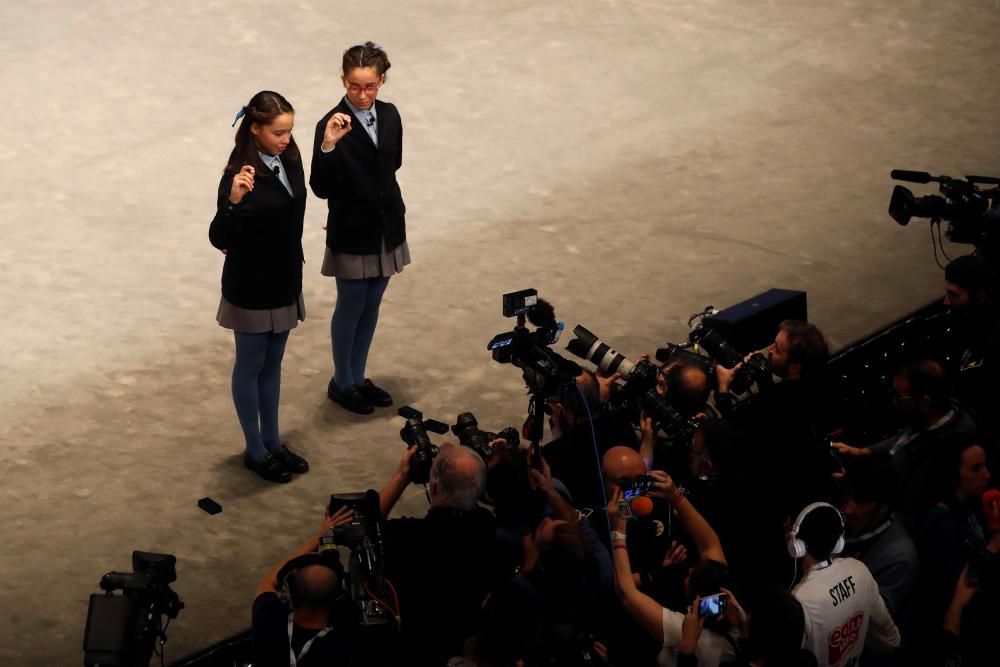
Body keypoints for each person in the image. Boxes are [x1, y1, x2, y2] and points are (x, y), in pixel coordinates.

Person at [209, 90, 310, 483]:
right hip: (251, 287)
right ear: (255, 129)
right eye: (278, 132)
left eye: (289, 131)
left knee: (273, 364)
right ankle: (254, 449)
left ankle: (273, 439)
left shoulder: (292, 157)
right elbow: (219, 236)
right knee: (251, 365)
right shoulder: (238, 174)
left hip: (284, 279)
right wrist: (233, 202)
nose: (286, 139)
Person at [310, 42, 410, 415]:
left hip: (387, 227)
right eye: (354, 86)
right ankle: (343, 381)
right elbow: (320, 186)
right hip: (352, 232)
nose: (362, 94)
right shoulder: (331, 125)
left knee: (371, 306)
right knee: (351, 306)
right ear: (343, 80)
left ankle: (358, 376)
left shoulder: (391, 115)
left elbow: (393, 163)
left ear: (381, 81)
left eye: (370, 86)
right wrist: (329, 147)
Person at [378, 443, 501, 665]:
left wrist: (401, 476)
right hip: (468, 636)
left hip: (417, 648)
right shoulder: (488, 525)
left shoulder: (407, 537)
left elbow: (369, 526)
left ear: (433, 488)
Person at [609, 470, 740, 667]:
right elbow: (710, 544)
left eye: (691, 574)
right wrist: (676, 498)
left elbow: (625, 591)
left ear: (694, 603)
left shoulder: (683, 630)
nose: (688, 571)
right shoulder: (736, 620)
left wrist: (618, 529)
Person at [833, 358, 979, 522]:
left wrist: (856, 490)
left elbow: (909, 498)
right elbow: (903, 438)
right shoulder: (930, 418)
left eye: (898, 396)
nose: (894, 402)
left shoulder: (949, 448)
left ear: (924, 402)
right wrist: (863, 451)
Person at [913, 435, 999, 658]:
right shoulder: (941, 525)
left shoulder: (972, 503)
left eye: (985, 466)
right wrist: (993, 546)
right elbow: (961, 588)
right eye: (976, 468)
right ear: (954, 475)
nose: (987, 475)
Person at [787, 502, 900, 667]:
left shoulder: (799, 600)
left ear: (797, 546)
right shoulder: (859, 570)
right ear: (838, 541)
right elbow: (891, 638)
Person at [251, 506, 358, 666]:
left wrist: (318, 538)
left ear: (292, 593)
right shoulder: (343, 643)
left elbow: (268, 582)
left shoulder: (269, 618)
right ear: (338, 596)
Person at [838, 457, 918, 651]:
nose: (847, 509)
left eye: (860, 501)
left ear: (885, 504)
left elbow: (868, 626)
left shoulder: (899, 557)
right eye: (847, 497)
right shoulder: (849, 523)